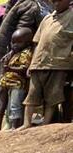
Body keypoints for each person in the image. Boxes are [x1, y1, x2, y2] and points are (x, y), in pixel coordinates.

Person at [22, 0, 73, 129]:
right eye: (53, 1)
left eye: (59, 0)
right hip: (38, 63)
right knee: (32, 95)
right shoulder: (47, 18)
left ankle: (46, 124)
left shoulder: (71, 17)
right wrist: (31, 63)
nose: (56, 3)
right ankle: (26, 124)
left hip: (58, 63)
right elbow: (37, 42)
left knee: (53, 95)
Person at [0, 27, 34, 132]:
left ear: (27, 43)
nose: (15, 45)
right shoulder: (13, 53)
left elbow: (24, 69)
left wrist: (9, 68)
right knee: (2, 102)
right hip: (6, 81)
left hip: (17, 83)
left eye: (18, 42)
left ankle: (14, 126)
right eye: (13, 42)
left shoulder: (26, 53)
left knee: (15, 104)